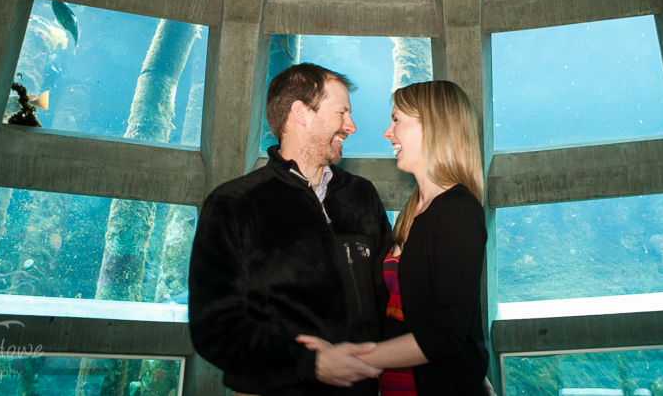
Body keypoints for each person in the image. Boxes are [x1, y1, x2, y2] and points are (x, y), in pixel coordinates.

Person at [188, 63, 392, 396]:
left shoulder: (362, 195)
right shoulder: (233, 204)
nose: (351, 126)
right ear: (301, 113)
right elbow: (214, 329)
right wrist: (309, 364)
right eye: (341, 113)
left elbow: (391, 296)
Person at [298, 80, 489, 396]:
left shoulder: (458, 210)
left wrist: (349, 359)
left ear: (433, 126)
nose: (388, 132)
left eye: (397, 120)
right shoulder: (414, 210)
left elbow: (446, 334)